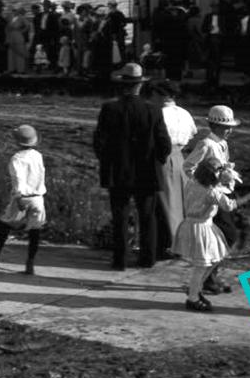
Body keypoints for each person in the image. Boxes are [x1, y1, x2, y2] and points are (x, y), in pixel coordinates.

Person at [94, 62, 171, 270]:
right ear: (140, 85)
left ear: (122, 85)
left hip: (118, 171)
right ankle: (147, 258)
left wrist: (108, 162)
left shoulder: (109, 108)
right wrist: (157, 162)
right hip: (146, 171)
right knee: (147, 216)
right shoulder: (153, 110)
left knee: (120, 215)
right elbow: (164, 143)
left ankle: (119, 259)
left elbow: (100, 143)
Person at [173, 158, 237, 312]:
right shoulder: (212, 192)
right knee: (202, 265)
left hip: (192, 225)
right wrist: (249, 197)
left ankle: (196, 290)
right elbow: (228, 206)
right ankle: (193, 298)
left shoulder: (192, 183)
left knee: (213, 259)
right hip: (202, 228)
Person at [0, 124, 47, 275]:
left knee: (5, 224)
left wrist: (19, 197)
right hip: (38, 198)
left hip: (22, 197)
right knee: (35, 231)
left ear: (17, 142)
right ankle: (30, 263)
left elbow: (18, 179)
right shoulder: (38, 155)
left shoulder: (16, 159)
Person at [149, 81, 197, 257]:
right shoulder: (185, 114)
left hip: (163, 157)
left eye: (154, 94)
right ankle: (180, 241)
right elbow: (191, 135)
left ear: (162, 95)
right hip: (180, 157)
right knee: (180, 201)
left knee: (165, 202)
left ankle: (168, 243)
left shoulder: (158, 113)